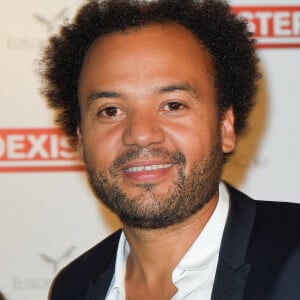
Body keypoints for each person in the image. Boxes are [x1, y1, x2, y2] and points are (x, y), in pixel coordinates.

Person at [40, 0, 300, 299]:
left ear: (225, 126)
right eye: (111, 111)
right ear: (81, 138)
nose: (140, 134)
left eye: (173, 105)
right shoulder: (73, 287)